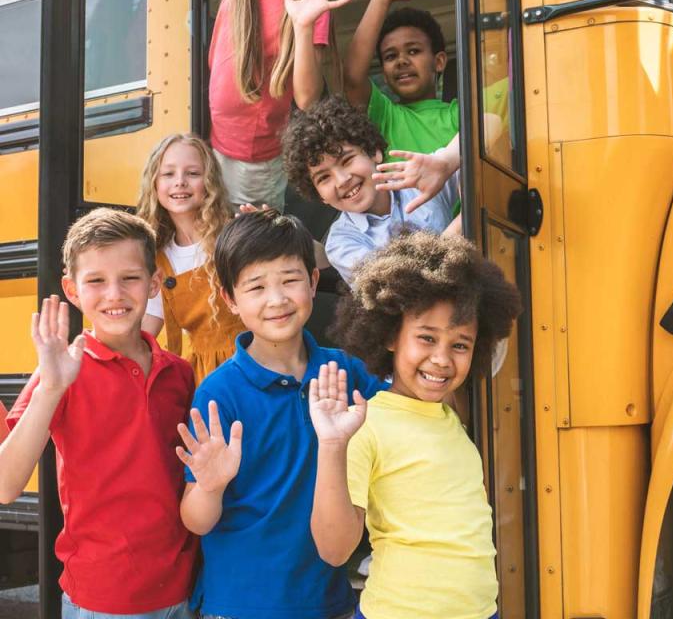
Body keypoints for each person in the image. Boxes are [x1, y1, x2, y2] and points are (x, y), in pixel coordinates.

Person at [175, 210, 387, 619]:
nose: (277, 299)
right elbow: (196, 521)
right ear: (230, 299)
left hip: (329, 599)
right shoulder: (219, 392)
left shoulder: (346, 372)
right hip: (240, 604)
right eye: (256, 286)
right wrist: (211, 486)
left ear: (312, 282)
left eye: (290, 280)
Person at [309, 231, 522, 619]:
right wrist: (332, 446)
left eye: (460, 345)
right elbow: (334, 549)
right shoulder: (363, 425)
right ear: (390, 335)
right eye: (426, 338)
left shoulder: (452, 416)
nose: (442, 359)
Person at [0, 208, 196, 619]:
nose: (114, 294)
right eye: (96, 281)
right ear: (72, 290)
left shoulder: (178, 372)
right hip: (101, 598)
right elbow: (5, 486)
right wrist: (51, 388)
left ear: (154, 282)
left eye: (130, 278)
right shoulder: (60, 370)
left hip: (183, 587)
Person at [141, 0, 351, 211]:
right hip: (209, 140)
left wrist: (302, 24)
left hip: (255, 157)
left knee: (244, 243)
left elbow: (307, 98)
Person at [282, 97, 462, 285]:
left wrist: (447, 163)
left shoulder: (415, 178)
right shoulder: (340, 243)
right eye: (324, 178)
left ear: (374, 152)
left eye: (347, 160)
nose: (342, 180)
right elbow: (404, 287)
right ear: (319, 195)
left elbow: (491, 123)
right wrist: (464, 220)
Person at [138, 133, 244, 383]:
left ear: (209, 182)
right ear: (154, 184)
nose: (180, 182)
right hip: (202, 379)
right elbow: (145, 331)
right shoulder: (159, 260)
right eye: (168, 174)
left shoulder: (233, 236)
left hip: (251, 363)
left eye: (193, 173)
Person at [343, 0, 460, 159]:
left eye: (413, 51)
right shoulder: (385, 116)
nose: (401, 61)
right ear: (384, 74)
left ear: (439, 61)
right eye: (390, 56)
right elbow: (353, 78)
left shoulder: (460, 113)